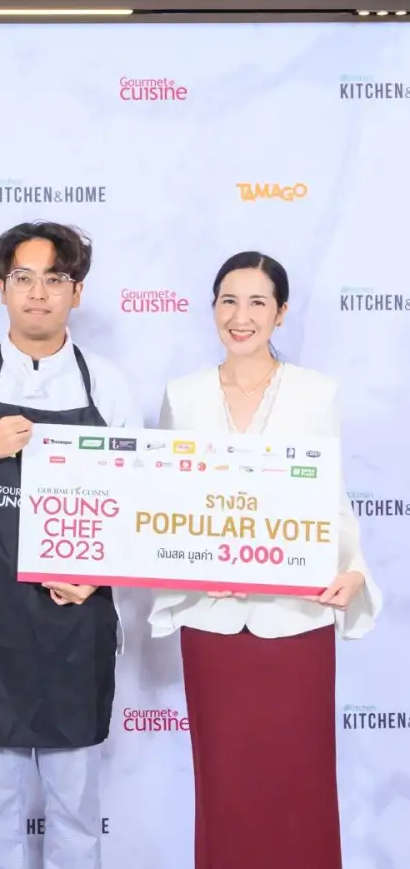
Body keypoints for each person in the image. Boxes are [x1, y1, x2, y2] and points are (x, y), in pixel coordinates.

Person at [0, 221, 142, 869]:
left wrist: (97, 577)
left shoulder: (108, 385)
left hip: (76, 621)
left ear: (76, 291)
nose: (38, 293)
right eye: (23, 278)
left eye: (54, 279)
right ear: (1, 288)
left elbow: (135, 500)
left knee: (75, 807)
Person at [149, 250, 382, 869]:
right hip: (213, 623)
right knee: (223, 786)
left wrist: (354, 571)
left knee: (301, 783)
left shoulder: (316, 393)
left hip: (297, 620)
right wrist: (192, 565)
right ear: (213, 309)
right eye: (229, 300)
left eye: (257, 302)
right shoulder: (183, 396)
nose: (241, 316)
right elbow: (167, 502)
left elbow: (331, 500)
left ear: (280, 313)